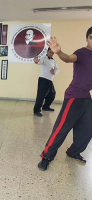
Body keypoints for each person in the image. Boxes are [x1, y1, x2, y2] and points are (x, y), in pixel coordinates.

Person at [38, 27, 92, 171]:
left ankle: (74, 151)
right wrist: (59, 52)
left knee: (87, 129)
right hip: (74, 96)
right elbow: (68, 58)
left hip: (87, 97)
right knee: (61, 128)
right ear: (87, 39)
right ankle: (46, 156)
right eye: (91, 37)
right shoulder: (81, 52)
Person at [33, 47, 59, 117]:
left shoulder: (53, 61)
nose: (51, 54)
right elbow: (38, 62)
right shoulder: (44, 58)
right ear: (47, 52)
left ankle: (45, 107)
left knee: (52, 94)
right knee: (41, 95)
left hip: (50, 80)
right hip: (43, 79)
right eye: (50, 52)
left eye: (52, 53)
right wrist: (36, 61)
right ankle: (36, 110)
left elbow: (57, 69)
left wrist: (54, 72)